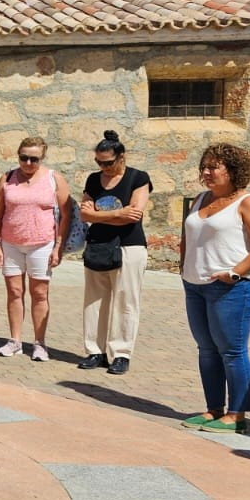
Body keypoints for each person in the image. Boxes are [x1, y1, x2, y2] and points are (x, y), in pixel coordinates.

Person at [180, 143, 250, 435]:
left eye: (214, 167)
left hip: (233, 288)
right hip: (196, 285)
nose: (206, 172)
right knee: (207, 350)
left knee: (232, 351)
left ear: (233, 170)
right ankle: (213, 409)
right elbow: (188, 235)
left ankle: (237, 414)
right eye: (204, 167)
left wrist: (236, 273)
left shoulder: (248, 202)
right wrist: (183, 266)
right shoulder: (200, 199)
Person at [78, 130, 152, 375]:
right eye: (99, 162)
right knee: (94, 300)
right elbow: (85, 214)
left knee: (125, 301)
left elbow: (134, 216)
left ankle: (120, 353)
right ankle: (94, 350)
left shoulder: (138, 178)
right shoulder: (92, 180)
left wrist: (100, 216)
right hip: (98, 244)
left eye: (108, 162)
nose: (103, 167)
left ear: (121, 157)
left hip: (128, 246)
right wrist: (117, 214)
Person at [0, 136, 70, 361]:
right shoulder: (7, 178)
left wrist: (58, 246)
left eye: (33, 159)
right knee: (14, 292)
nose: (27, 163)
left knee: (39, 293)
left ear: (42, 158)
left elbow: (66, 214)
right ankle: (15, 340)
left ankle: (39, 343)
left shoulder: (54, 179)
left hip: (42, 243)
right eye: (23, 158)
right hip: (11, 243)